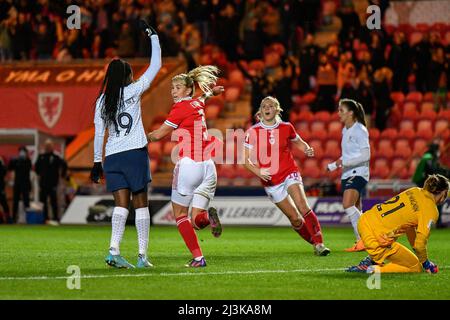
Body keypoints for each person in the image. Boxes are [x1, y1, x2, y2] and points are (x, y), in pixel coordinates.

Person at [90, 22, 161, 269]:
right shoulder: (134, 90)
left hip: (112, 157)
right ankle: (142, 257)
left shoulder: (101, 102)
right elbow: (156, 66)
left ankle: (114, 251)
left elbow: (99, 135)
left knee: (120, 205)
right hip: (134, 154)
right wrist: (153, 37)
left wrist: (97, 162)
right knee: (141, 204)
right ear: (127, 77)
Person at [147, 65, 224, 268]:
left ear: (188, 90)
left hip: (190, 165)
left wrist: (136, 138)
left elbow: (158, 135)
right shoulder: (196, 104)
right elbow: (202, 98)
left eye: (178, 87)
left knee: (180, 215)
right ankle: (208, 217)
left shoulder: (180, 107)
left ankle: (199, 258)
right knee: (196, 219)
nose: (173, 91)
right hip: (208, 166)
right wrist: (211, 92)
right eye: (172, 88)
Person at [243, 96, 330, 256]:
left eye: (270, 106)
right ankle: (314, 241)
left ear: (277, 109)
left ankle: (319, 244)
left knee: (303, 206)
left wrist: (306, 148)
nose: (267, 108)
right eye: (263, 106)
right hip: (270, 181)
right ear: (260, 111)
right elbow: (245, 160)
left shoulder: (286, 127)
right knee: (295, 219)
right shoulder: (252, 132)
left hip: (289, 172)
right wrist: (258, 171)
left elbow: (299, 141)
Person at [346, 174, 449, 273]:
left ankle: (371, 260)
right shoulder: (431, 210)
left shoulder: (415, 190)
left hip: (365, 220)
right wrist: (425, 262)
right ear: (442, 192)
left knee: (394, 229)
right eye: (446, 193)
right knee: (415, 267)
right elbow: (420, 244)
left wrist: (417, 252)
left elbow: (409, 228)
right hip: (376, 238)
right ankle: (372, 269)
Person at [327, 99, 370, 252]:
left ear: (351, 113)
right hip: (347, 173)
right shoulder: (346, 130)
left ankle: (367, 237)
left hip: (358, 172)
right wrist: (334, 165)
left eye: (341, 110)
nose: (338, 113)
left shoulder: (360, 130)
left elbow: (366, 156)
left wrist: (347, 163)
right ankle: (361, 241)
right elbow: (347, 155)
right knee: (357, 206)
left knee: (348, 204)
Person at [412, 142, 450, 228]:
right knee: (437, 199)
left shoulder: (427, 156)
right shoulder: (428, 158)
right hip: (423, 182)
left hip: (423, 182)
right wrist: (445, 172)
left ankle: (423, 223)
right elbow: (433, 170)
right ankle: (437, 222)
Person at [35, 140, 67, 225]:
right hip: (43, 183)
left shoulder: (56, 156)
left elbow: (64, 165)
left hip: (53, 183)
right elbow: (36, 167)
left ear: (52, 146)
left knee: (53, 201)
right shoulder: (41, 156)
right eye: (46, 145)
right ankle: (45, 218)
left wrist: (62, 176)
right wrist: (40, 174)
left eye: (49, 145)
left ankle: (55, 218)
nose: (48, 147)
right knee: (43, 202)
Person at [8, 146, 32, 223]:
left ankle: (29, 218)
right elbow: (10, 168)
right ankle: (14, 218)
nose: (22, 153)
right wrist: (13, 160)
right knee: (15, 201)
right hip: (17, 184)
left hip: (25, 184)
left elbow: (29, 167)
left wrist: (25, 159)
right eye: (21, 151)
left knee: (26, 202)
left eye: (23, 151)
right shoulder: (15, 160)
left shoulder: (27, 161)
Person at [0, 156, 10, 223]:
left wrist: (1, 163)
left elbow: (4, 171)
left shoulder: (2, 168)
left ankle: (7, 219)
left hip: (0, 188)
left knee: (5, 205)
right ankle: (2, 219)